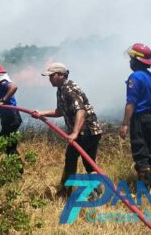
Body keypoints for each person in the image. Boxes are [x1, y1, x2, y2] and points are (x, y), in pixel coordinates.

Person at [32, 63, 103, 196]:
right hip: (90, 131)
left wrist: (75, 133)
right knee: (89, 162)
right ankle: (94, 190)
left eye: (52, 76)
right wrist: (41, 113)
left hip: (86, 131)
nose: (50, 79)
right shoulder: (61, 89)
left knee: (71, 158)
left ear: (62, 75)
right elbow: (60, 111)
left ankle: (66, 190)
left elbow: (80, 111)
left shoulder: (69, 89)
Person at [119, 43, 151, 189]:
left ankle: (146, 188)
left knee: (140, 150)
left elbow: (131, 102)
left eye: (131, 59)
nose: (130, 62)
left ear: (137, 61)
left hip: (139, 119)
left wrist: (125, 124)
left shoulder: (135, 77)